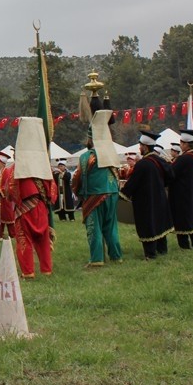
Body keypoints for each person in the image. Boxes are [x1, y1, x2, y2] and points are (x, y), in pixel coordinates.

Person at [71, 110, 123, 268]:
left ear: (91, 139)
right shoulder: (112, 154)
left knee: (94, 228)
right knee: (111, 226)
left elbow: (78, 178)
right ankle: (116, 256)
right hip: (112, 193)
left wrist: (77, 192)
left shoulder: (87, 156)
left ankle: (96, 259)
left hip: (95, 195)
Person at [11, 117, 57, 278]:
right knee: (43, 240)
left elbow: (10, 189)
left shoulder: (16, 169)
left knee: (24, 239)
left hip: (25, 208)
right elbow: (52, 191)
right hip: (42, 208)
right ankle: (46, 269)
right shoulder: (44, 168)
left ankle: (28, 271)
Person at [121, 130, 173, 259]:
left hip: (145, 201)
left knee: (147, 224)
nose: (139, 148)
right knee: (160, 223)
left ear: (145, 146)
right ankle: (162, 250)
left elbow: (132, 183)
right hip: (160, 197)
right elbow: (171, 176)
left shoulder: (142, 164)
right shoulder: (160, 160)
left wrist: (122, 194)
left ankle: (150, 254)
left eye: (140, 146)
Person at [169, 128, 193, 249]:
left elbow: (171, 174)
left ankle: (184, 246)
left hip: (181, 194)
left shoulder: (182, 159)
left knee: (182, 218)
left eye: (181, 143)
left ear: (185, 144)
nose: (180, 145)